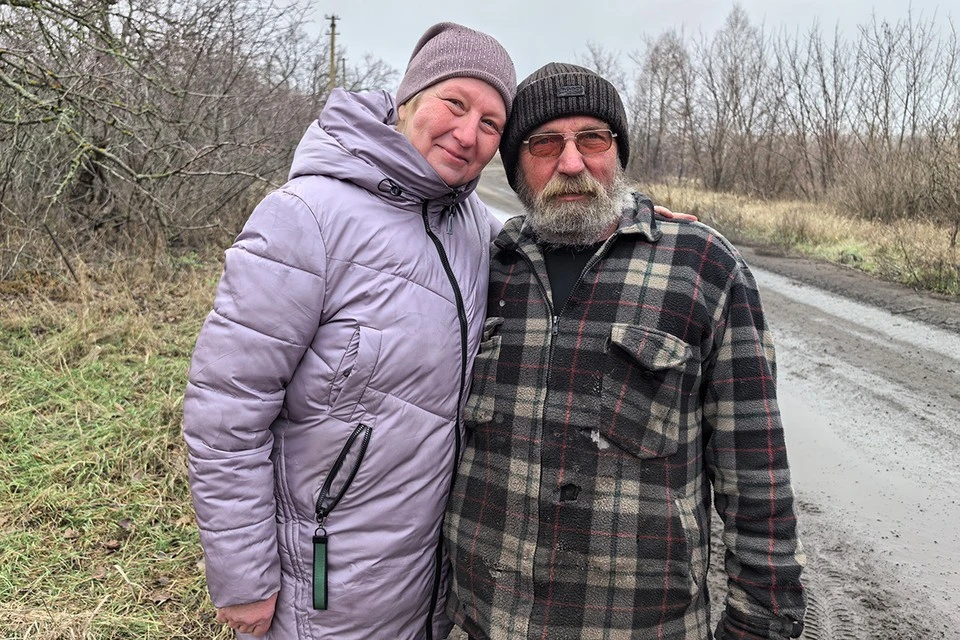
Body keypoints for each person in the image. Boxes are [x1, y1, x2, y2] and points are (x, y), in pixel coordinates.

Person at [444, 63, 806, 640]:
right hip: (485, 622)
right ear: (515, 169)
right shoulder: (485, 267)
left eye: (593, 138)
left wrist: (761, 620)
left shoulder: (701, 267)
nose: (571, 162)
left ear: (618, 151)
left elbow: (755, 470)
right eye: (544, 145)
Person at [182, 22, 517, 639]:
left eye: (491, 123)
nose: (468, 135)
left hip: (429, 583)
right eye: (455, 103)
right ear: (409, 98)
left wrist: (639, 222)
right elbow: (225, 409)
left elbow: (565, 245)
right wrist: (243, 576)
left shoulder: (477, 230)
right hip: (323, 583)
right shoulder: (307, 217)